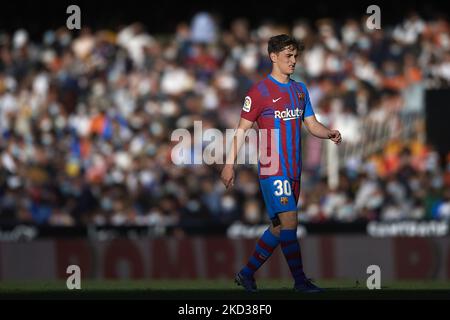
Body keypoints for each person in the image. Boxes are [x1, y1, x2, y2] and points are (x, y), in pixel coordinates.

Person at [221, 34, 342, 292]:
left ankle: (246, 274)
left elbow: (311, 124)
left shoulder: (300, 90)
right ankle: (300, 282)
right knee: (290, 222)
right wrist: (229, 164)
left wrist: (329, 132)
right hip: (273, 167)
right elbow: (241, 130)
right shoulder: (259, 91)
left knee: (278, 228)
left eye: (296, 56)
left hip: (294, 169)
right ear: (273, 57)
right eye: (288, 56)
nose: (293, 61)